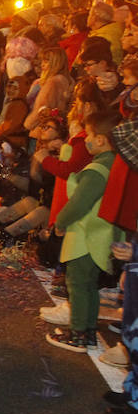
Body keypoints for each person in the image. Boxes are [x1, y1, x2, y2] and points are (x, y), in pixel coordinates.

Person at [48, 112, 120, 352]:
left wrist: (61, 221)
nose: (86, 139)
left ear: (101, 139)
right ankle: (88, 331)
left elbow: (80, 203)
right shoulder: (115, 164)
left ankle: (78, 334)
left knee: (77, 283)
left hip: (86, 235)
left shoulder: (97, 169)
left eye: (89, 134)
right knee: (90, 285)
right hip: (102, 235)